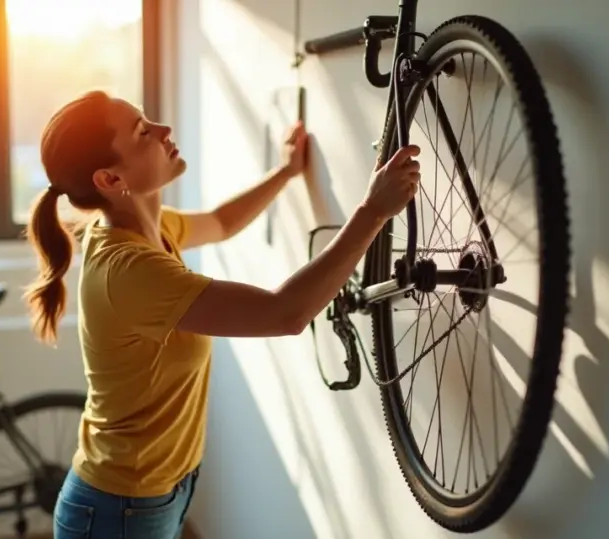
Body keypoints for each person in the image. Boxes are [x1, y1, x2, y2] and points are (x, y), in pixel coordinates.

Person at [26, 90, 420, 539]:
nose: (163, 130)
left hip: (151, 493)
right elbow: (284, 314)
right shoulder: (129, 271)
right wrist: (372, 212)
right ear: (111, 180)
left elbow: (221, 221)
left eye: (147, 118)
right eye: (142, 132)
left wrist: (287, 172)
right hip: (119, 508)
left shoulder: (147, 227)